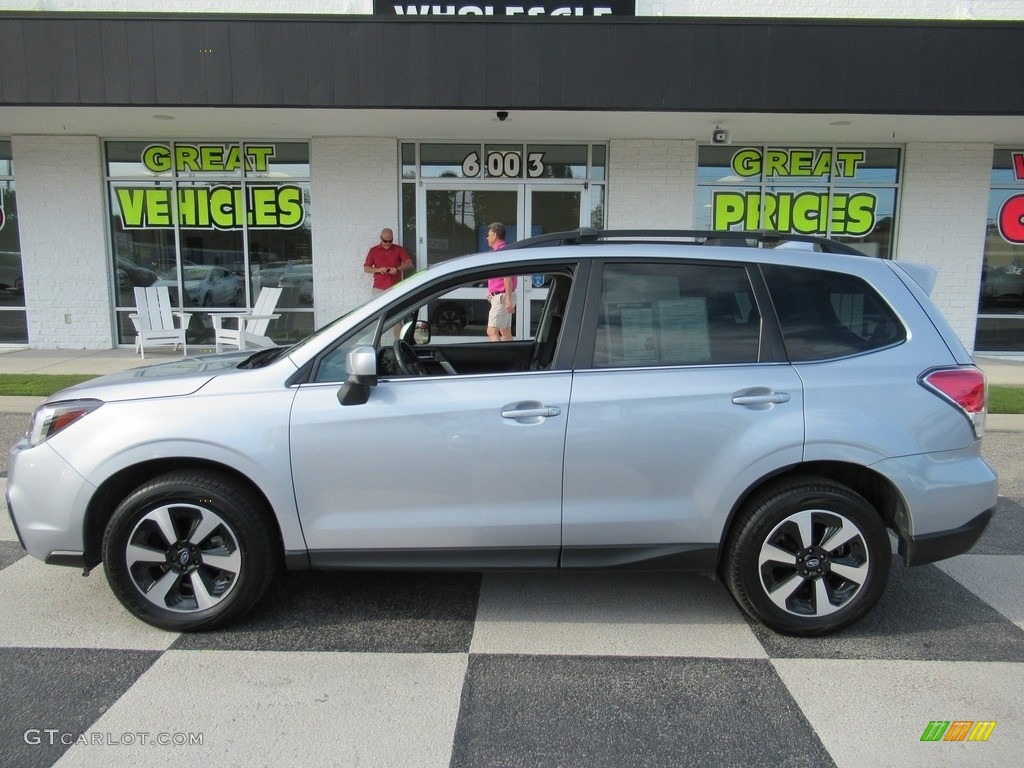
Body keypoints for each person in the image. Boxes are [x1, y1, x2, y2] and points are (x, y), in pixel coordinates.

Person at [485, 222, 517, 342]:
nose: (487, 238)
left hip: (503, 297)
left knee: (492, 331)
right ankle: (511, 359)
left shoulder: (501, 252)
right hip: (502, 296)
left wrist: (507, 299)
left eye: (488, 235)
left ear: (494, 235)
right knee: (504, 330)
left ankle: (497, 359)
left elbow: (507, 275)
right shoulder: (503, 251)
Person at [363, 228, 412, 293]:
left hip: (396, 287)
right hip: (379, 288)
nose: (388, 243)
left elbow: (409, 263)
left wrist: (397, 269)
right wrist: (378, 270)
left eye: (390, 241)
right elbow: (366, 268)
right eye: (385, 241)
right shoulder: (373, 251)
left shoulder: (398, 249)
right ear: (380, 238)